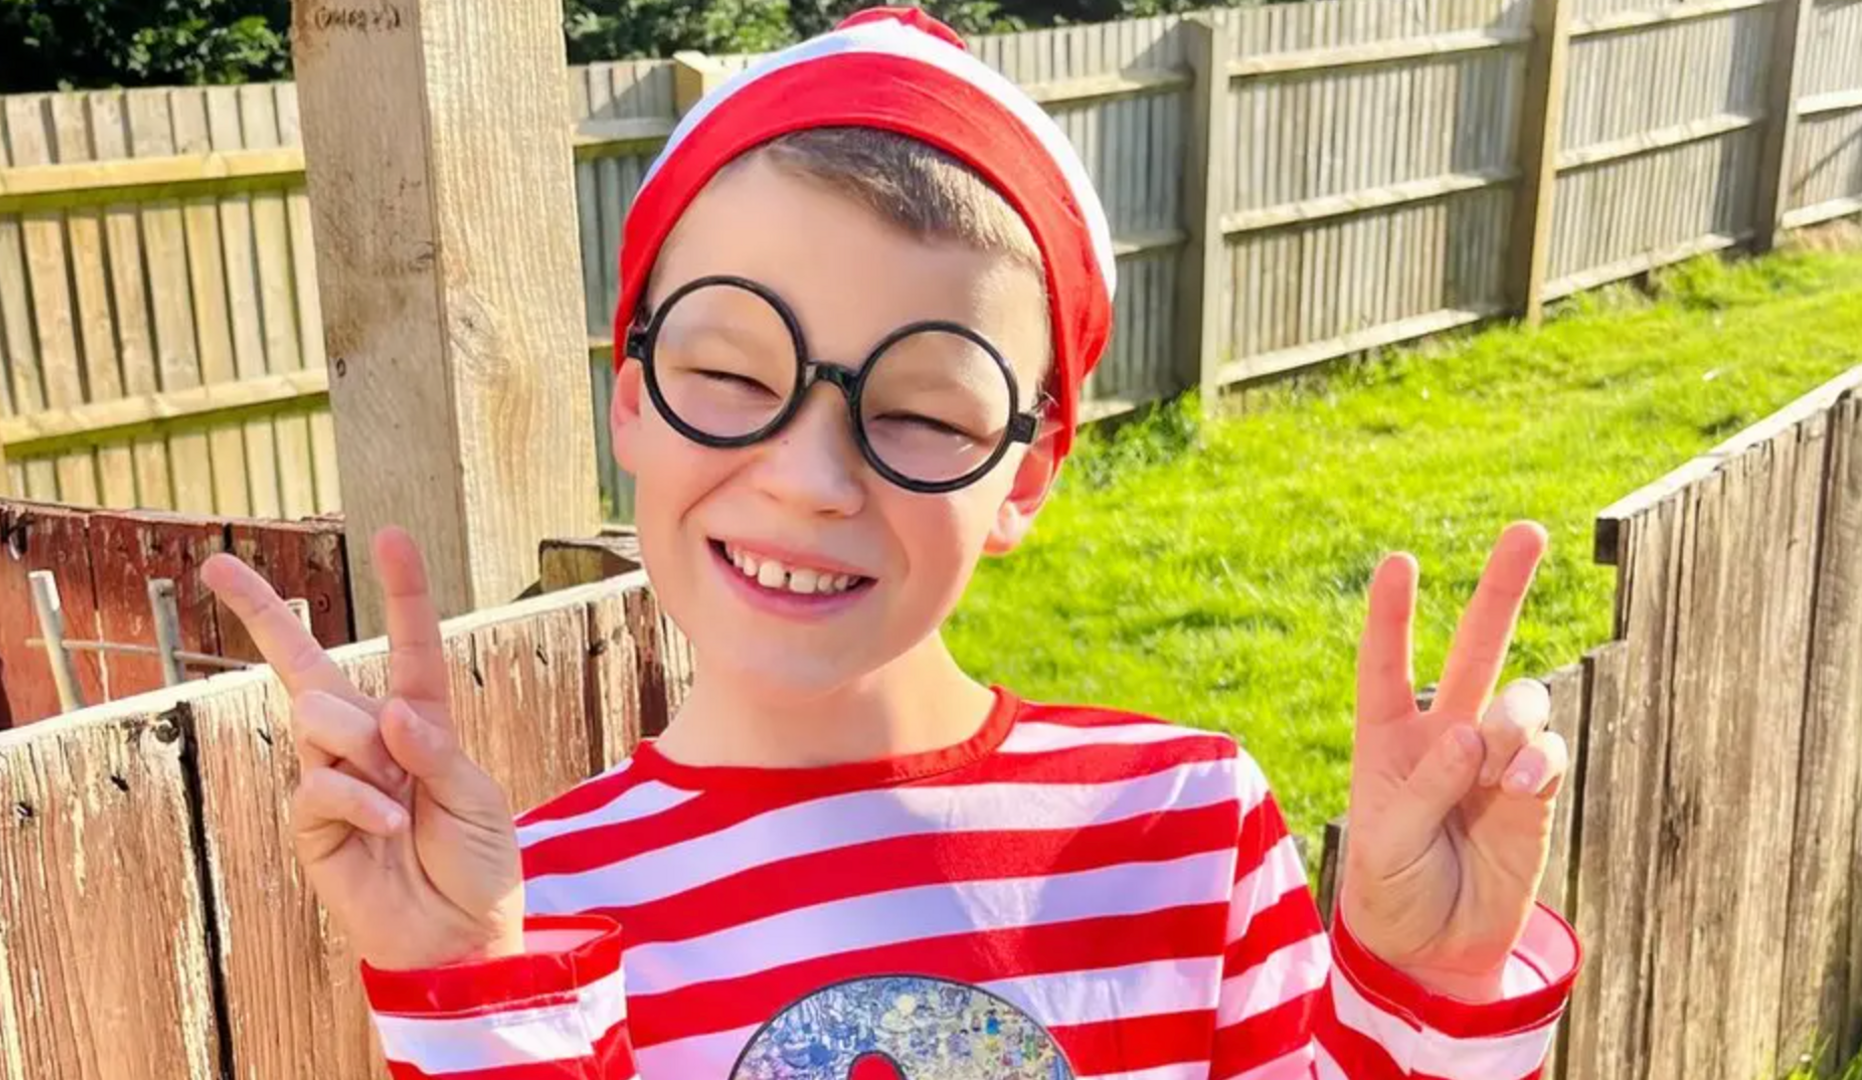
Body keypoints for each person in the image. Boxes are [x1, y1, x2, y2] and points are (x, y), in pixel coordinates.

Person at [201, 8, 1580, 1078]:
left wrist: (1434, 985)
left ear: (1028, 472)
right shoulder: (529, 898)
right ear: (630, 395)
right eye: (733, 376)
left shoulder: (1182, 830)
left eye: (921, 410)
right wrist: (469, 987)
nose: (810, 478)